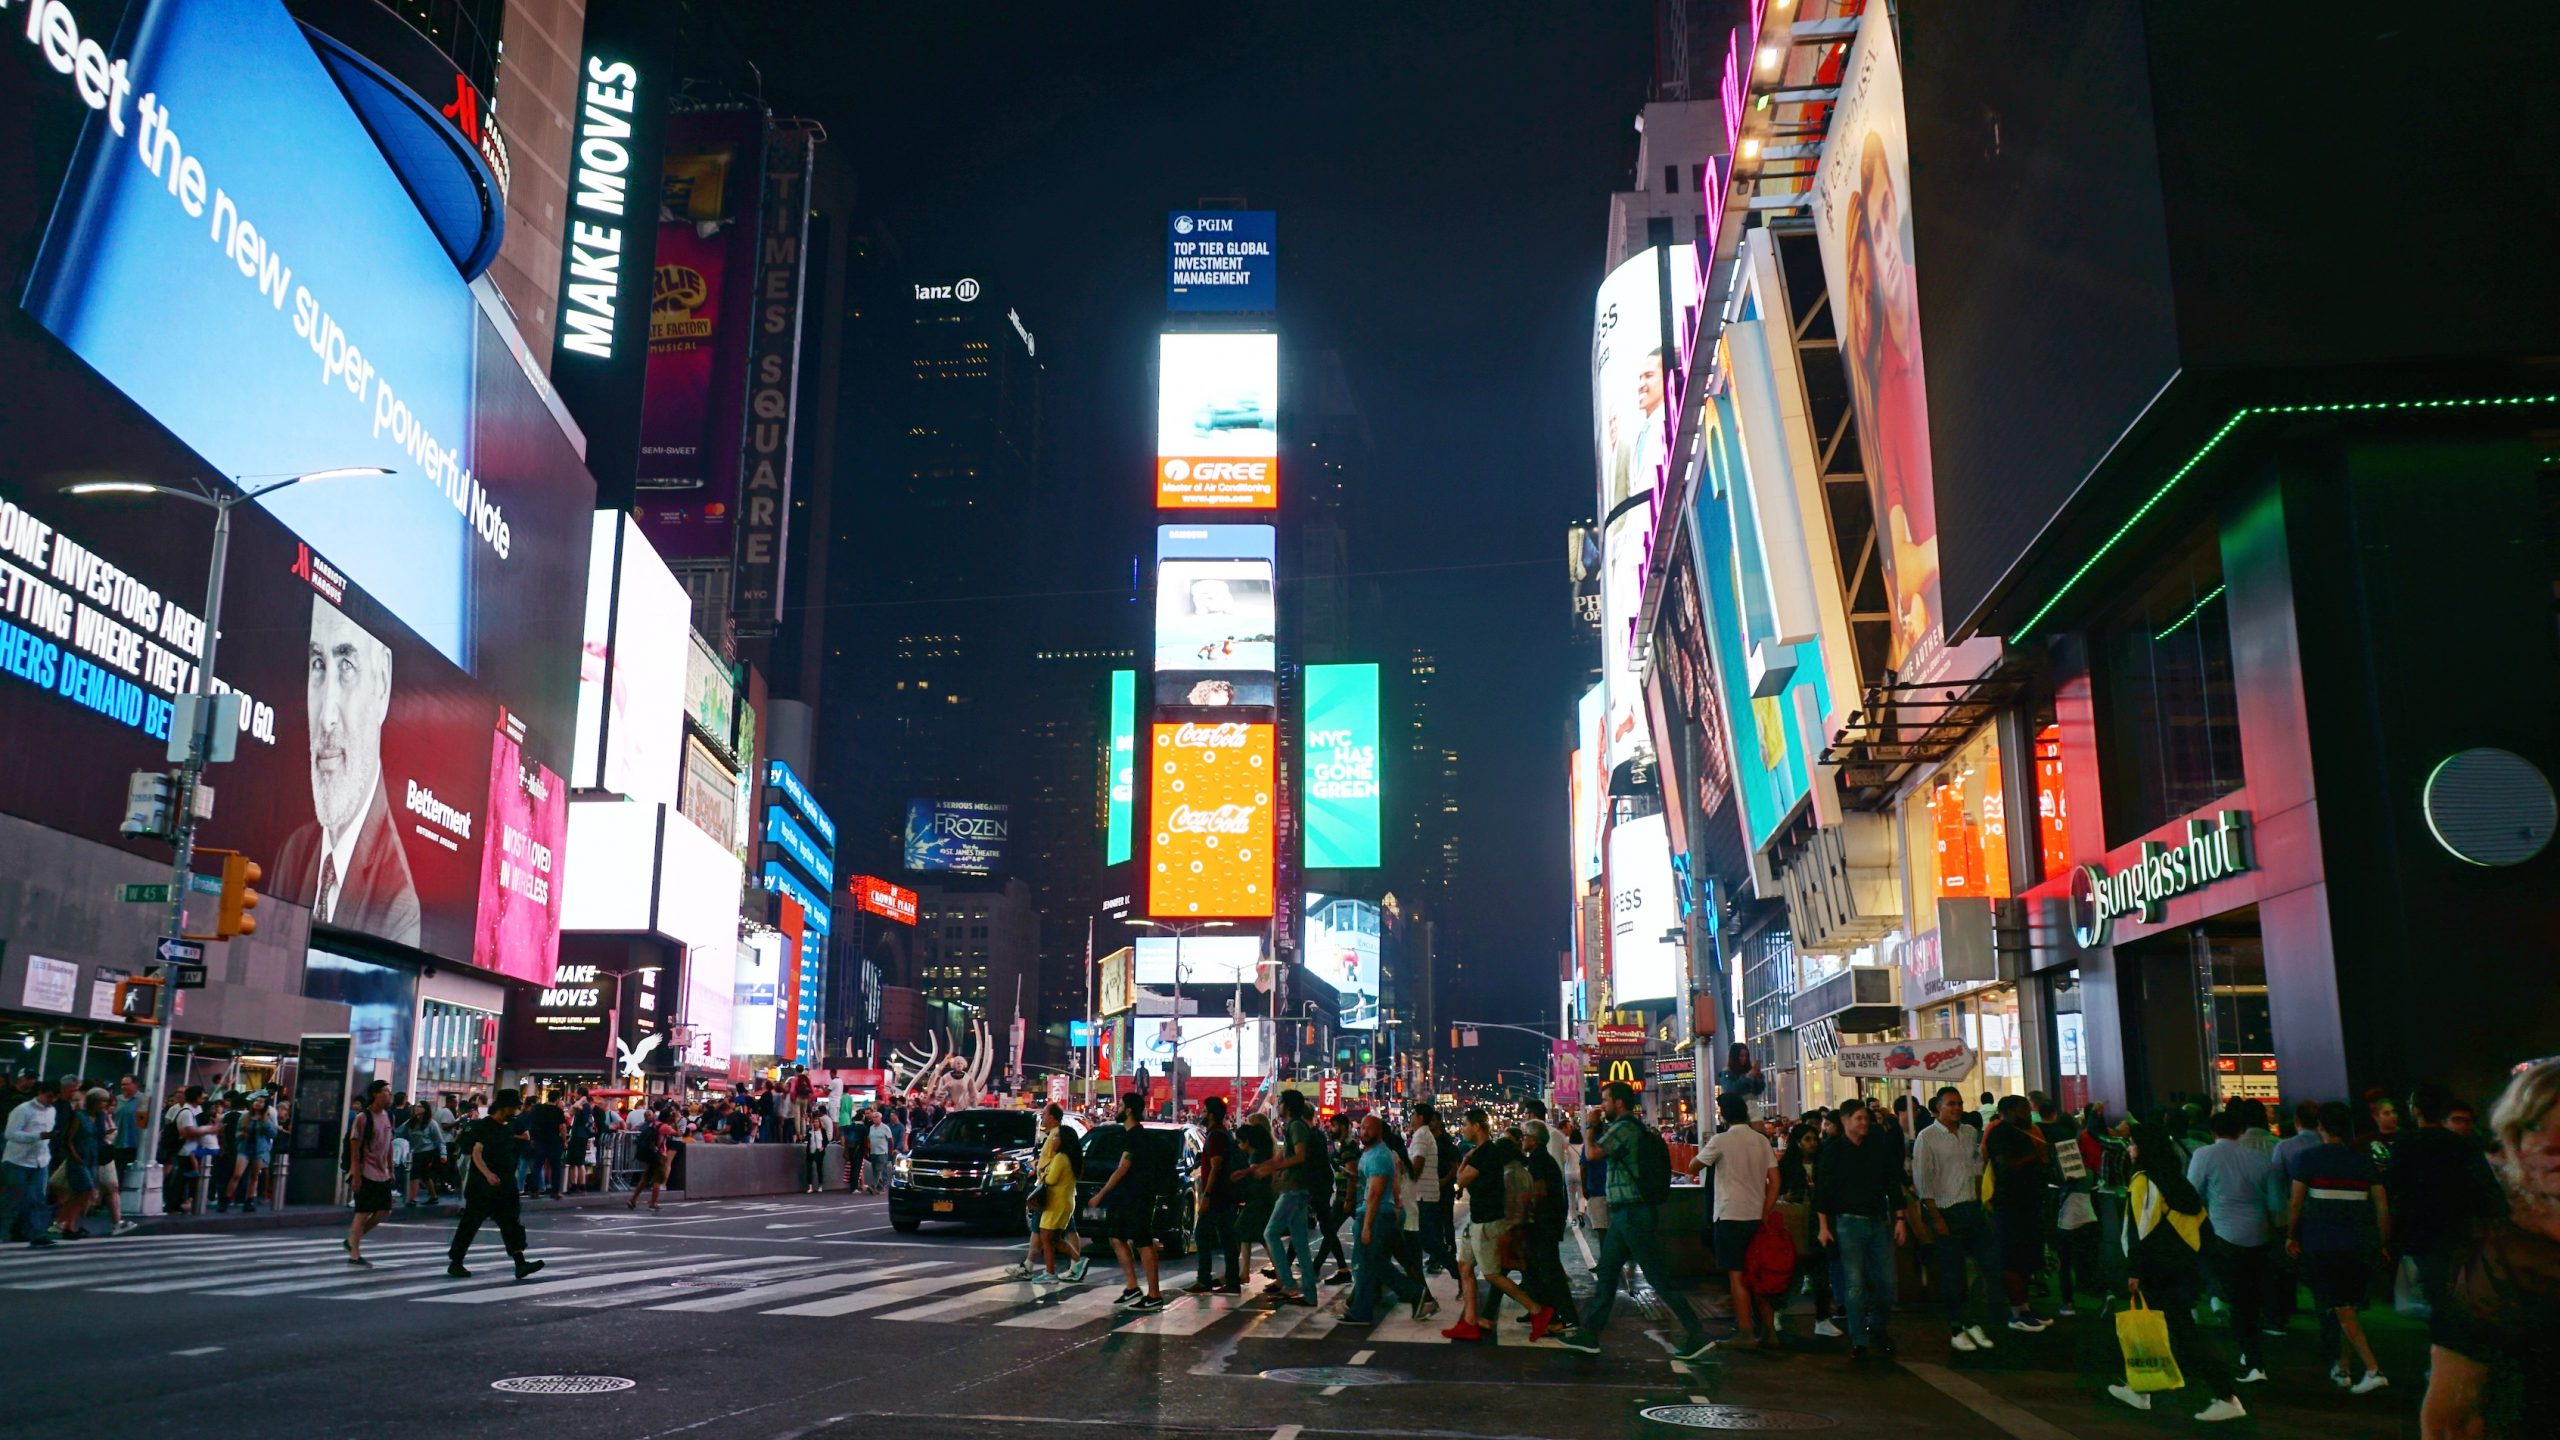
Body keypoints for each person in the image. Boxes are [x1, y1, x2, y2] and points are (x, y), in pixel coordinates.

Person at [2424, 1058, 2560, 1437]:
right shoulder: (2494, 1265)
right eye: (2535, 1125)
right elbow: (2453, 1422)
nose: (2552, 1142)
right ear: (2513, 1142)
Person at [278, 601, 422, 944]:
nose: (326, 715)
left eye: (346, 666)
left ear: (382, 685)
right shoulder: (294, 854)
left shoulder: (399, 902)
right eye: (318, 664)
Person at [1555, 1083, 1714, 1360]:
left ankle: (1696, 1332)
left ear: (1619, 1103)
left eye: (1605, 1100)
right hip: (1623, 1213)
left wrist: (1591, 1127)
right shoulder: (1629, 1127)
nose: (1601, 1106)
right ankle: (1591, 1334)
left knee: (1655, 1276)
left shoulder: (1625, 1127)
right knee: (1607, 1272)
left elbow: (1592, 1154)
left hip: (1633, 1212)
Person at [2108, 1121, 2247, 1423]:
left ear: (2144, 1148)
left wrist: (2134, 1270)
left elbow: (2139, 1230)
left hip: (2157, 1270)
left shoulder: (2144, 1180)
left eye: (2133, 1143)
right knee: (2169, 1330)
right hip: (2182, 1267)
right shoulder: (2175, 1179)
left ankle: (2226, 1396)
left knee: (2182, 1334)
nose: (2130, 1149)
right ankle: (2141, 1388)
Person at [2285, 1099, 2392, 1393]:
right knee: (2349, 1307)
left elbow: (2296, 1202)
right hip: (2361, 1243)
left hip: (2323, 1243)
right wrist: (2383, 1242)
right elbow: (2382, 1205)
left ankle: (2373, 1369)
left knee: (2340, 1307)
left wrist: (2291, 1235)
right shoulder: (2363, 1160)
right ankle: (2343, 1368)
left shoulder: (2307, 1159)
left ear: (2321, 1127)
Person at [1442, 1106, 1552, 1341]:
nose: (1462, 1129)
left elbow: (1460, 1182)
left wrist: (1463, 1164)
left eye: (1464, 1125)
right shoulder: (1483, 1152)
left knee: (1492, 1275)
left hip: (1488, 1223)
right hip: (1478, 1220)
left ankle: (1536, 1310)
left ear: (1476, 1126)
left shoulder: (1483, 1154)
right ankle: (1470, 1321)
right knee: (1465, 1267)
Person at [2392, 1082, 2499, 1318]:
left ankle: (2447, 1337)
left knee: (2435, 1288)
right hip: (2456, 1225)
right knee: (2454, 1283)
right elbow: (2479, 1186)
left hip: (2419, 1228)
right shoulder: (2461, 1145)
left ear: (2416, 1109)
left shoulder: (2405, 1144)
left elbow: (2396, 1186)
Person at [2187, 1109, 2279, 1383]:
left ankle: (2252, 1360)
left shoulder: (2205, 1155)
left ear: (2214, 1131)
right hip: (2260, 1235)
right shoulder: (2262, 1158)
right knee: (2250, 1298)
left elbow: (2192, 1193)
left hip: (2223, 1234)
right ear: (2241, 1130)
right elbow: (2276, 1205)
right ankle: (2250, 1352)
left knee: (2237, 1298)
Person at [1913, 1085, 2005, 1352]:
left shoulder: (1969, 1132)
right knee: (1953, 1273)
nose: (1956, 1108)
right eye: (1950, 1104)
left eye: (1960, 1103)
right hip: (1945, 1210)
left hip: (1971, 1208)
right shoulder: (1926, 1137)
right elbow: (1923, 1181)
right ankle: (1956, 1326)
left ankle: (1973, 1320)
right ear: (1938, 1107)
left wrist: (1980, 1201)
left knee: (1988, 1265)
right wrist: (1935, 1217)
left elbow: (1977, 1169)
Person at [1816, 1098, 1907, 1361]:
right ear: (1845, 1121)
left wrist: (1900, 1217)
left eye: (1865, 1118)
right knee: (1854, 1285)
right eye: (1858, 1118)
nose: (1864, 1122)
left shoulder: (1877, 1148)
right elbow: (1823, 1190)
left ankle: (1877, 1325)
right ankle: (1860, 1339)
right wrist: (1823, 1226)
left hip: (1878, 1220)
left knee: (1888, 1284)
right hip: (1847, 1222)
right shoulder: (1833, 1150)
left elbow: (1892, 1183)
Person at [1694, 1090, 1780, 1349]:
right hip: (1756, 1217)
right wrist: (1765, 1209)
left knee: (1738, 1276)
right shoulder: (1761, 1141)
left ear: (1724, 1115)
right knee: (1759, 1275)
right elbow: (1775, 1181)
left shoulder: (1720, 1141)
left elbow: (1692, 1166)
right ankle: (1769, 1330)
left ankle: (1745, 1332)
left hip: (1729, 1215)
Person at [447, 1089, 545, 1281]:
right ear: (503, 1106)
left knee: (511, 1222)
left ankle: (520, 1263)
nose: (515, 1111)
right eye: (513, 1107)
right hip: (482, 1185)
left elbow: (524, 1135)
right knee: (471, 1223)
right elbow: (476, 1153)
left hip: (505, 1183)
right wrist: (488, 1174)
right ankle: (456, 1262)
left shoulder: (510, 1125)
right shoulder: (484, 1126)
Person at [1341, 1112, 1426, 1325]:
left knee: (1369, 1262)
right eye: (1361, 1127)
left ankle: (1413, 1292)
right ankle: (1362, 1308)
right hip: (1382, 1213)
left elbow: (1375, 1194)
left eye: (1369, 1128)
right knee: (1372, 1262)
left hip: (1377, 1214)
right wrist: (1355, 1178)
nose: (1364, 1132)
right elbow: (1374, 1185)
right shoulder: (1372, 1154)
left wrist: (1367, 1225)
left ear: (1380, 1131)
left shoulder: (1379, 1155)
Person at [1087, 1091, 1167, 1312]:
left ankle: (1154, 1295)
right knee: (1116, 1237)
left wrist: (1100, 1194)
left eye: (1120, 1105)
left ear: (1129, 1110)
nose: (1117, 1109)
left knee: (1143, 1241)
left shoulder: (1135, 1136)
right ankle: (1132, 1287)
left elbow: (1123, 1168)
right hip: (1129, 1196)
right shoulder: (1133, 1135)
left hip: (1137, 1196)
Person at [1982, 1094, 2055, 1332]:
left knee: (2025, 1258)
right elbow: (2004, 1165)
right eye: (2023, 1109)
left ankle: (2024, 1307)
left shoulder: (2027, 1131)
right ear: (2009, 1111)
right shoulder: (2000, 1132)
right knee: (2012, 1259)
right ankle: (2016, 1311)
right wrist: (2036, 1156)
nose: (2028, 1113)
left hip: (2028, 1204)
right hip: (2009, 1206)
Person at [1250, 1089, 1321, 1307]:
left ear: (1287, 1106)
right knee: (1300, 1243)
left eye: (1280, 1103)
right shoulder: (1292, 1127)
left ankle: (1289, 1284)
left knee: (1270, 1233)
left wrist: (1276, 1167)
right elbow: (1280, 1157)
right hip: (1296, 1189)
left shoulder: (1296, 1126)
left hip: (1294, 1189)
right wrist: (1260, 1169)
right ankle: (1309, 1293)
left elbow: (1299, 1156)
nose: (1278, 1106)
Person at [1516, 1118, 1577, 1339]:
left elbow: (1539, 1192)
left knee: (1550, 1273)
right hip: (1547, 1223)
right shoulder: (1541, 1158)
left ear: (1533, 1139)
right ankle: (1549, 1314)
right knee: (1541, 1271)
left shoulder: (1538, 1161)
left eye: (1525, 1136)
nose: (1523, 1140)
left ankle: (1565, 1317)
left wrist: (1523, 1210)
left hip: (1544, 1224)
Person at [1187, 1094, 1241, 1295]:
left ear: (1210, 1114)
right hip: (1224, 1194)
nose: (1200, 1114)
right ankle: (1231, 1280)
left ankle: (1204, 1279)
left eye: (1203, 1111)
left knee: (1202, 1234)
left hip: (1218, 1195)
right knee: (1226, 1237)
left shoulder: (1216, 1136)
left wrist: (1207, 1196)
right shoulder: (1220, 1133)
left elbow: (1216, 1167)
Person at [343, 1080, 396, 1266]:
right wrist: (356, 1175)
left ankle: (351, 1240)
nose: (389, 1095)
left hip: (382, 1172)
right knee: (362, 1212)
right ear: (375, 1094)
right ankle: (354, 1254)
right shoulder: (363, 1118)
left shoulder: (388, 1116)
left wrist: (391, 1168)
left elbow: (389, 1145)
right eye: (385, 1092)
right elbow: (354, 1148)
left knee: (383, 1210)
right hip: (365, 1172)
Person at [3, 1078, 60, 1247]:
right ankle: (4, 1232)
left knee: (36, 1200)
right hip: (17, 1161)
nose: (51, 1100)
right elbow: (10, 1134)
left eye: (54, 1097)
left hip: (40, 1161)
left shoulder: (52, 1111)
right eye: (49, 1096)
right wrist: (38, 1136)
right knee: (13, 1199)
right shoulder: (23, 1110)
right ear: (40, 1093)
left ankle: (36, 1234)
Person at [1032, 1104, 1083, 1286]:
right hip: (1062, 1201)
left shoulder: (1061, 1157)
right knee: (1052, 1237)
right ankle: (1054, 1269)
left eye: (1058, 1138)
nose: (1054, 1140)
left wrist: (1042, 1173)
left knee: (1047, 1237)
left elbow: (1051, 1179)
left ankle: (1057, 1269)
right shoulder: (1069, 1157)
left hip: (1056, 1201)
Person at [51, 1088, 107, 1239]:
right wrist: (75, 1156)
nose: (104, 1104)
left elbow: (100, 1137)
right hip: (78, 1158)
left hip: (92, 1158)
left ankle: (66, 1223)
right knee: (86, 1191)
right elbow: (68, 1139)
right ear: (94, 1101)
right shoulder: (79, 1117)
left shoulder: (100, 1117)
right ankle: (67, 1224)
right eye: (102, 1101)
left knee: (80, 1194)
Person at [1236, 1113, 1276, 1286]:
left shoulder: (1257, 1153)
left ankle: (1280, 1273)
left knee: (1242, 1229)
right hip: (1262, 1197)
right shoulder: (1266, 1148)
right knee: (1259, 1235)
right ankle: (1244, 1272)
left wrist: (1244, 1173)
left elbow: (1256, 1170)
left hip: (1258, 1198)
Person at [397, 1102, 446, 1209]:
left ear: (425, 1109)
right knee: (425, 1175)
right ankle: (434, 1197)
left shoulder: (431, 1123)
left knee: (415, 1174)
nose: (416, 1108)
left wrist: (443, 1154)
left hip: (427, 1151)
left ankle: (412, 1199)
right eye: (416, 1106)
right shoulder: (411, 1122)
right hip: (415, 1151)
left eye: (420, 1106)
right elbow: (398, 1132)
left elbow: (440, 1140)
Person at [628, 1104, 671, 1211]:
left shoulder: (652, 1124)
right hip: (660, 1155)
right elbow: (679, 1133)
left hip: (651, 1154)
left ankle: (633, 1199)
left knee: (645, 1178)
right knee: (658, 1180)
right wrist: (675, 1121)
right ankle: (653, 1203)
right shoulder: (664, 1127)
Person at [800, 1100, 832, 1194]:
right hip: (810, 1151)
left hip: (819, 1151)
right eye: (814, 1122)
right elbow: (806, 1139)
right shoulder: (810, 1132)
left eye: (817, 1122)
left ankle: (820, 1185)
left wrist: (823, 1147)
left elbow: (826, 1141)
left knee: (819, 1168)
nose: (815, 1123)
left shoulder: (822, 1132)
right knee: (809, 1169)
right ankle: (810, 1186)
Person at [865, 1109, 893, 1193]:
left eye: (876, 1117)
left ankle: (874, 1186)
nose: (874, 1119)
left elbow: (890, 1140)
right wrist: (868, 1150)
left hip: (882, 1152)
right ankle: (880, 1187)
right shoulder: (871, 1128)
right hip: (873, 1152)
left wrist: (890, 1150)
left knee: (878, 1169)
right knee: (875, 1170)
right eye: (873, 1117)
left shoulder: (885, 1127)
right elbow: (869, 1139)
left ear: (880, 1118)